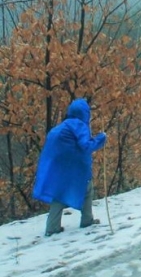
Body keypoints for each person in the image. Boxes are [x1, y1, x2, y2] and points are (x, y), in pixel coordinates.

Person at [33, 98, 107, 237]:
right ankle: (87, 220)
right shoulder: (79, 125)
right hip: (75, 165)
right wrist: (101, 139)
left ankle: (52, 227)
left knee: (59, 193)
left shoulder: (63, 125)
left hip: (59, 165)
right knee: (87, 188)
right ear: (85, 113)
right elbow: (86, 146)